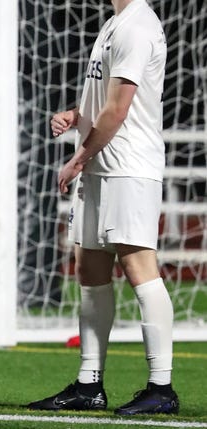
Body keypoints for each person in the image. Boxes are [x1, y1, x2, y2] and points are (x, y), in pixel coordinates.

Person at [27, 0, 179, 416]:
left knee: (138, 266)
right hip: (101, 166)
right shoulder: (115, 22)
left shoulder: (137, 26)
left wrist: (78, 158)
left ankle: (161, 388)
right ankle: (89, 384)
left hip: (128, 167)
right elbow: (102, 104)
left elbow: (119, 108)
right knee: (89, 269)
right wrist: (76, 116)